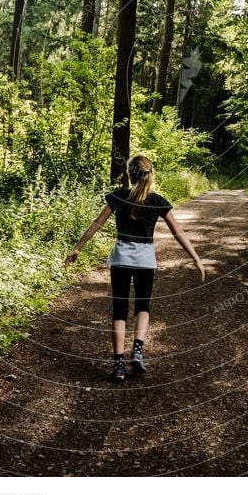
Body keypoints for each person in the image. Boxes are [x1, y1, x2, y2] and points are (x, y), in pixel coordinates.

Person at [64, 154, 206, 381]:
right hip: (144, 261)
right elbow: (178, 232)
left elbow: (97, 223)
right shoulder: (158, 200)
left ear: (129, 174)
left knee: (119, 310)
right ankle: (137, 352)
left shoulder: (119, 197)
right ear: (150, 174)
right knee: (143, 306)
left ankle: (119, 365)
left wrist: (77, 248)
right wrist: (196, 258)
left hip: (121, 258)